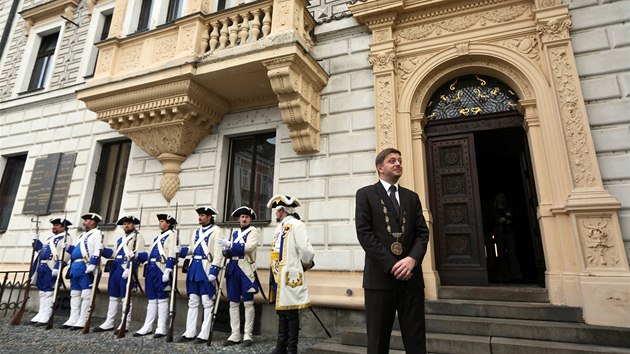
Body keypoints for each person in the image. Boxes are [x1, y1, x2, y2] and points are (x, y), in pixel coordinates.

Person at [355, 148, 430, 354]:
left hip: (411, 278)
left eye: (399, 160)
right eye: (392, 161)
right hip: (380, 278)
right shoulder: (365, 195)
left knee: (416, 341)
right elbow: (364, 234)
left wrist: (412, 260)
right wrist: (392, 264)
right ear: (380, 168)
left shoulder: (412, 197)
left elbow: (422, 233)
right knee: (378, 342)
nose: (398, 163)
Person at [267, 195, 315, 354]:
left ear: (282, 211)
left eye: (277, 211)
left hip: (289, 275)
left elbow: (306, 250)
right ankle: (281, 346)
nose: (276, 214)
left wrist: (304, 265)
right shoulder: (279, 227)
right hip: (277, 274)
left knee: (291, 312)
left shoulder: (296, 225)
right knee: (281, 312)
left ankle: (291, 349)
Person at [215, 206, 259, 347]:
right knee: (233, 302)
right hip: (233, 268)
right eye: (242, 217)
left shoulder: (253, 231)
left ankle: (247, 334)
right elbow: (232, 250)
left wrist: (231, 245)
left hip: (245, 269)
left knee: (248, 303)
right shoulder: (234, 233)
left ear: (250, 219)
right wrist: (226, 251)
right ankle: (235, 334)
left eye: (246, 217)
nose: (244, 219)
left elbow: (248, 247)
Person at [177, 206, 222, 343]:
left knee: (207, 302)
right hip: (194, 268)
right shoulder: (196, 231)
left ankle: (204, 333)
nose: (200, 218)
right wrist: (182, 250)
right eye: (199, 215)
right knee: (193, 301)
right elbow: (193, 248)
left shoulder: (217, 231)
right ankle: (190, 332)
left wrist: (214, 270)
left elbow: (218, 252)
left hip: (206, 269)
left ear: (209, 217)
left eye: (202, 215)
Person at [95, 216, 147, 333]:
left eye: (128, 223)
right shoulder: (121, 239)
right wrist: (103, 250)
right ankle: (109, 322)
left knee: (125, 298)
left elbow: (137, 255)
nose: (126, 225)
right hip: (116, 269)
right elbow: (114, 254)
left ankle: (125, 323)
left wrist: (129, 269)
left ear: (134, 225)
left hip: (125, 269)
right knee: (113, 297)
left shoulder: (138, 237)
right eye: (124, 224)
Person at [134, 213, 177, 338]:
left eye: (163, 221)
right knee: (151, 299)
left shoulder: (172, 235)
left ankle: (161, 327)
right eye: (160, 221)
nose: (160, 223)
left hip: (161, 268)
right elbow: (149, 254)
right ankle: (147, 326)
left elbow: (171, 253)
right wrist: (137, 255)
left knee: (162, 299)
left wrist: (168, 269)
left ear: (168, 224)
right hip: (151, 269)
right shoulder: (157, 237)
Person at [61, 213, 104, 330]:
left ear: (94, 222)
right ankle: (73, 318)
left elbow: (97, 249)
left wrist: (93, 264)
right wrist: (67, 247)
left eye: (88, 220)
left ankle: (83, 319)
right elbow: (76, 250)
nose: (85, 222)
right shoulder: (81, 236)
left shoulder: (97, 234)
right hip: (76, 267)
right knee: (74, 293)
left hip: (86, 266)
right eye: (85, 220)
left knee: (86, 294)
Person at [29, 217, 71, 326]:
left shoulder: (66, 238)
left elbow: (65, 254)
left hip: (51, 266)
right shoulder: (51, 238)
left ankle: (46, 315)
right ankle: (41, 313)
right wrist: (36, 241)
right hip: (42, 266)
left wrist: (58, 266)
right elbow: (41, 251)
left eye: (57, 225)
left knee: (48, 292)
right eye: (54, 225)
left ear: (63, 227)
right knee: (42, 291)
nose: (54, 227)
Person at [492, 193, 522, 282]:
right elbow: (490, 220)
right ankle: (506, 276)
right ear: (497, 199)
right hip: (499, 234)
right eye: (499, 197)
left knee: (512, 254)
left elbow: (515, 218)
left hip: (509, 233)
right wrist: (498, 221)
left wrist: (510, 221)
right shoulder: (493, 210)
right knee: (502, 256)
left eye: (502, 197)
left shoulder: (508, 209)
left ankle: (517, 275)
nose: (501, 199)